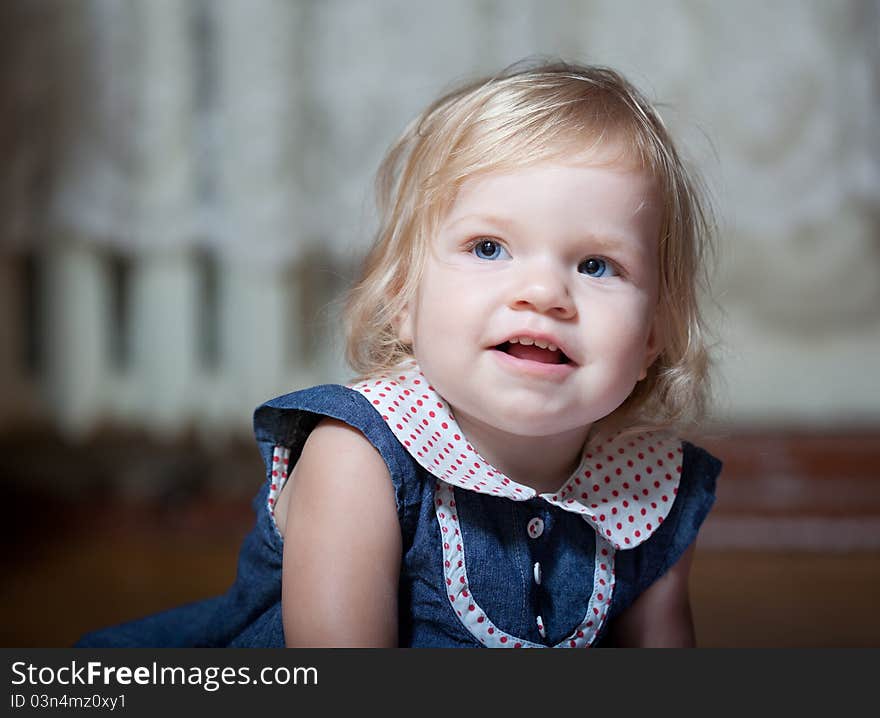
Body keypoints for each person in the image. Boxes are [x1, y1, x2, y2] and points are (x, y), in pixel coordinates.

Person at [78, 59, 721, 648]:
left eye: (596, 264)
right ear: (401, 299)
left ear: (652, 338)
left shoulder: (651, 490)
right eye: (489, 247)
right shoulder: (359, 457)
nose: (544, 293)